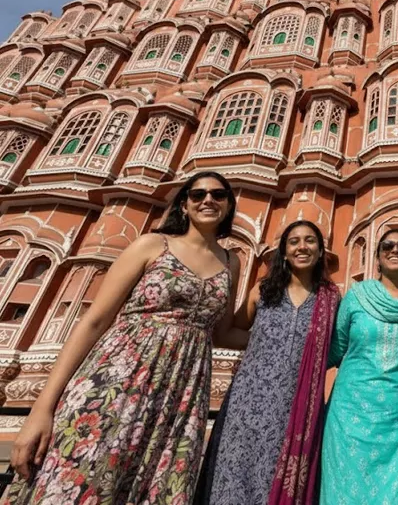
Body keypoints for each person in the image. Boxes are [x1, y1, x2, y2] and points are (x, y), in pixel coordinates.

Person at [3, 171, 246, 504]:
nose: (208, 200)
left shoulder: (231, 262)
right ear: (184, 205)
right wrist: (41, 409)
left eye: (218, 195)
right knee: (85, 471)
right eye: (197, 194)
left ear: (229, 205)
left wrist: (298, 336)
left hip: (181, 394)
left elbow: (223, 332)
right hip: (118, 379)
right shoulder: (152, 244)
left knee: (155, 482)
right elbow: (94, 321)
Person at [194, 220, 340, 505]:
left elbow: (336, 346)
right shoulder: (263, 290)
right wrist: (264, 341)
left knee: (275, 475)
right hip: (248, 400)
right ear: (284, 252)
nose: (302, 247)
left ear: (321, 250)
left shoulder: (331, 298)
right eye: (294, 241)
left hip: (296, 404)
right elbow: (229, 333)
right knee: (235, 470)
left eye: (310, 241)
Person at [320, 229, 398, 505]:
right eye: (387, 246)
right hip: (349, 418)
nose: (395, 250)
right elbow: (332, 351)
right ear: (377, 257)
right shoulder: (356, 297)